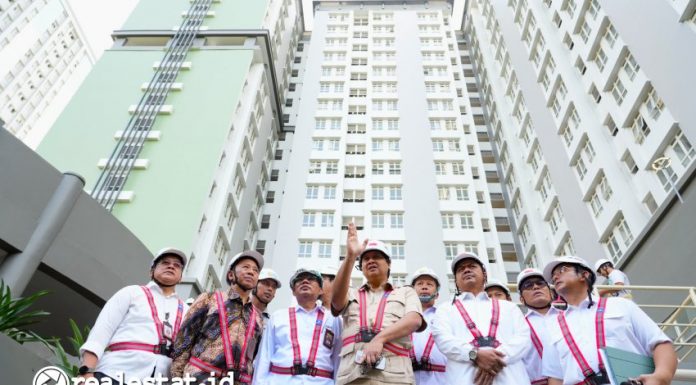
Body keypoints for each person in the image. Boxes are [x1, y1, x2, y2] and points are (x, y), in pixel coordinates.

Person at [541, 256, 677, 385]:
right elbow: (555, 377)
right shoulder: (553, 326)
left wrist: (661, 377)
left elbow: (660, 344)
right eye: (553, 277)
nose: (555, 277)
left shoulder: (621, 305)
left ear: (584, 275)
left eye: (562, 270)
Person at [331, 223, 426, 385]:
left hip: (394, 377)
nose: (371, 261)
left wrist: (379, 339)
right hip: (352, 375)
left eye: (377, 257)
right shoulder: (350, 293)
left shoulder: (406, 292)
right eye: (366, 258)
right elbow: (336, 301)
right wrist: (351, 256)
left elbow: (414, 320)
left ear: (389, 263)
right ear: (360, 267)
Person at [79, 248, 188, 384]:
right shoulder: (131, 293)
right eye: (165, 262)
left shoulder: (187, 310)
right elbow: (101, 332)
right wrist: (86, 372)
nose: (171, 266)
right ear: (151, 271)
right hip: (114, 374)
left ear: (181, 277)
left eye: (177, 265)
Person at [431, 252, 531, 385]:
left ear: (484, 274)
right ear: (455, 280)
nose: (466, 270)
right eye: (461, 269)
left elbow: (523, 338)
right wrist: (475, 355)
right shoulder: (446, 309)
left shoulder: (509, 307)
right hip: (464, 380)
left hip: (510, 379)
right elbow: (443, 339)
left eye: (472, 266)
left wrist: (493, 360)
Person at [170, 250, 265, 384]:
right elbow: (184, 340)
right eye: (245, 267)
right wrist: (176, 378)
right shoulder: (209, 299)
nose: (251, 272)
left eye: (255, 270)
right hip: (200, 378)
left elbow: (254, 356)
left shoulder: (258, 317)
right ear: (231, 275)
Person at [253, 268, 342, 385]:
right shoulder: (278, 317)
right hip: (280, 381)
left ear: (321, 290)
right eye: (299, 280)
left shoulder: (333, 319)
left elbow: (338, 359)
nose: (305, 281)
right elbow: (264, 357)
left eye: (311, 279)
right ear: (293, 291)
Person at [517, 268, 557, 385]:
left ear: (551, 293)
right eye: (528, 285)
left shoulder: (569, 317)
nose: (535, 287)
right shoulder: (518, 326)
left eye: (540, 283)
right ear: (521, 299)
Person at [409, 267, 447, 385]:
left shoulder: (445, 316)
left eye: (429, 284)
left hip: (439, 380)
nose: (424, 287)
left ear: (437, 295)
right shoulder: (401, 317)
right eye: (420, 284)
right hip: (408, 379)